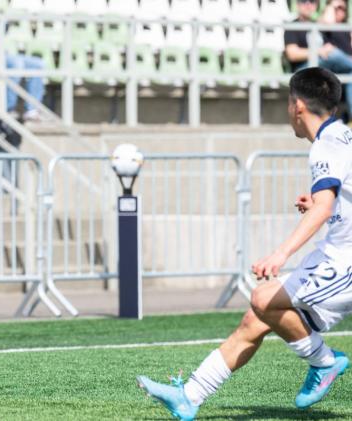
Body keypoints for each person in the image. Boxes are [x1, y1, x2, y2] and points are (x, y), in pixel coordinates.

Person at [137, 67, 351, 420]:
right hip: (334, 255)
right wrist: (316, 204)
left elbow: (327, 206)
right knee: (255, 318)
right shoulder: (343, 136)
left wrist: (280, 253)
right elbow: (332, 202)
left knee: (262, 297)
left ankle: (325, 362)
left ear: (297, 105)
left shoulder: (324, 147)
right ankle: (189, 396)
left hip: (345, 261)